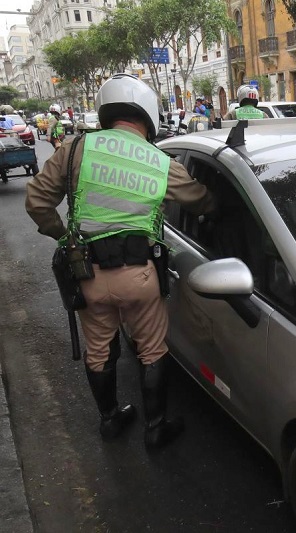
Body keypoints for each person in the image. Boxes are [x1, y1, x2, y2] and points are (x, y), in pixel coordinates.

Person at [25, 73, 217, 450]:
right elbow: (203, 201)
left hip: (88, 275)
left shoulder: (75, 149)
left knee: (99, 350)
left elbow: (37, 202)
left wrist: (63, 237)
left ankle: (110, 421)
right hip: (139, 275)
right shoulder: (161, 162)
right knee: (152, 350)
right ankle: (156, 427)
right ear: (147, 114)